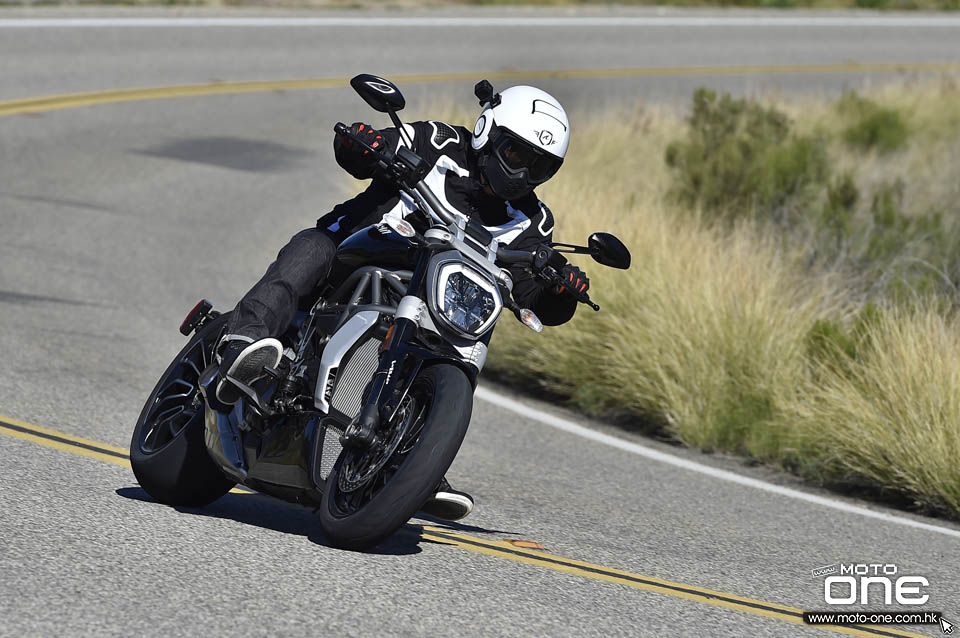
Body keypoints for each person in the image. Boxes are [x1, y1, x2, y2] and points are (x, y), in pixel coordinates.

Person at [214, 84, 590, 521]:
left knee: (474, 324)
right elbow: (367, 149)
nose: (524, 173)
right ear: (489, 130)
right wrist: (365, 142)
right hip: (359, 250)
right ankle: (242, 341)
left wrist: (560, 289)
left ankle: (415, 451)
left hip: (428, 294)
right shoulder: (439, 141)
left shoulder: (533, 221)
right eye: (517, 154)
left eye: (540, 167)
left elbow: (531, 291)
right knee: (314, 247)